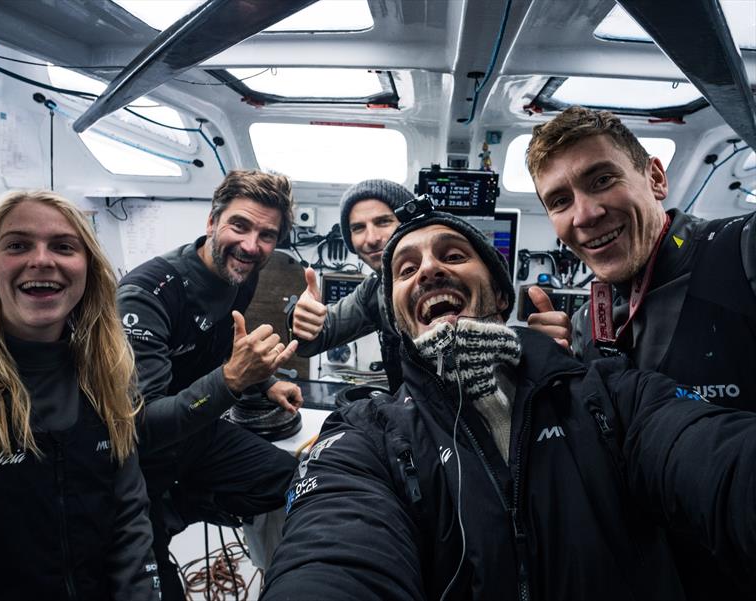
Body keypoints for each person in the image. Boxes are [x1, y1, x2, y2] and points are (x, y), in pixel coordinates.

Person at [261, 205, 756, 601]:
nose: (429, 269)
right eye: (406, 269)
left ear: (501, 294)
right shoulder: (365, 435)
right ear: (396, 318)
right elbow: (333, 554)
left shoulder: (612, 396)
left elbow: (720, 462)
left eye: (453, 256)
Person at [525, 105, 756, 598]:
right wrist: (558, 381)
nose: (584, 214)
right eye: (560, 201)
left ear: (654, 177)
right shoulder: (590, 319)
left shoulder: (744, 251)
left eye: (602, 179)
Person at [0, 190, 158, 600]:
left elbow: (128, 521)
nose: (43, 260)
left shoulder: (107, 372)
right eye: (17, 245)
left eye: (63, 247)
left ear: (88, 269)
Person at [116, 170, 302, 599]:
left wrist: (263, 383)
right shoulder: (146, 295)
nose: (252, 245)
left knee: (289, 481)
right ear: (212, 222)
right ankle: (163, 514)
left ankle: (179, 510)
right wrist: (234, 380)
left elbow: (217, 347)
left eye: (267, 235)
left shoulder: (243, 270)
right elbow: (139, 425)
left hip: (196, 431)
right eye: (240, 225)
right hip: (141, 459)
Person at [290, 179, 413, 391]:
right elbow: (317, 338)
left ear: (410, 223)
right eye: (358, 228)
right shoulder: (374, 291)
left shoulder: (444, 282)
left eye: (383, 222)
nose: (372, 238)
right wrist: (300, 321)